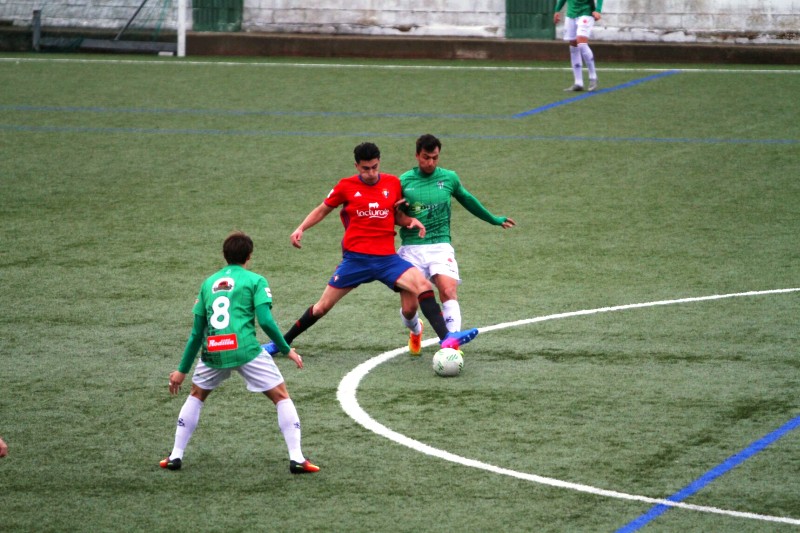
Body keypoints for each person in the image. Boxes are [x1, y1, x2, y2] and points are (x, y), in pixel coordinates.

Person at [262, 142, 478, 356]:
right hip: (356, 261)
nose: (371, 173)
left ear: (379, 162)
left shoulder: (393, 183)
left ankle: (446, 338)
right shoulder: (345, 186)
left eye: (375, 167)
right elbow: (322, 210)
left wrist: (410, 220)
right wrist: (301, 228)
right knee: (321, 307)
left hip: (387, 260)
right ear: (357, 166)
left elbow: (396, 216)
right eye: (366, 168)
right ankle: (280, 344)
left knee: (423, 285)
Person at [160, 231, 319, 474]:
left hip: (213, 350)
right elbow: (265, 321)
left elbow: (196, 333)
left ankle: (175, 456)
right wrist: (286, 349)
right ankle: (297, 459)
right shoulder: (255, 280)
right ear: (249, 256)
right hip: (246, 350)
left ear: (224, 255)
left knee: (196, 395)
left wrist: (182, 371)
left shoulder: (208, 284)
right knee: (280, 396)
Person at [397, 134, 516, 355]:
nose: (430, 162)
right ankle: (416, 330)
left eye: (435, 157)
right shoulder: (403, 182)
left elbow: (468, 199)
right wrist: (401, 215)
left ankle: (452, 346)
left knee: (448, 290)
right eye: (426, 157)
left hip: (440, 245)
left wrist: (493, 219)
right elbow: (393, 216)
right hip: (412, 248)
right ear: (417, 155)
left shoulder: (449, 178)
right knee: (409, 308)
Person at [554, 0, 603, 92]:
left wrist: (598, 10)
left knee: (581, 43)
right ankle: (578, 83)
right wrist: (557, 10)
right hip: (571, 14)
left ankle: (593, 77)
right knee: (573, 46)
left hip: (586, 12)